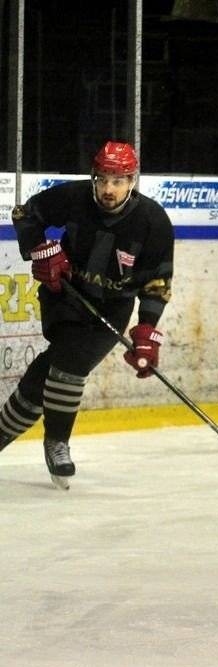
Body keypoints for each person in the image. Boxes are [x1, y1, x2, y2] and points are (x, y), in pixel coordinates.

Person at [0, 141, 174, 488]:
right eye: (103, 179)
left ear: (132, 181)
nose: (109, 189)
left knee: (59, 365)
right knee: (68, 361)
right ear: (94, 177)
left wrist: (146, 332)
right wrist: (41, 250)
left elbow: (157, 283)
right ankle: (57, 442)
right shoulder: (74, 197)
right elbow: (25, 214)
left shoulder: (153, 222)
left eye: (118, 181)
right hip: (64, 295)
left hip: (114, 306)